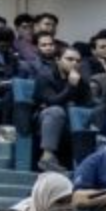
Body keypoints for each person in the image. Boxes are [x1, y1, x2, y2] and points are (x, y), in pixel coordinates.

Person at [30, 36, 95, 173]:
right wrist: (71, 86)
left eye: (77, 61)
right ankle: (47, 157)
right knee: (56, 111)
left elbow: (88, 103)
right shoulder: (45, 76)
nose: (74, 63)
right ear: (58, 60)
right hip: (44, 120)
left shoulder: (80, 80)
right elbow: (52, 102)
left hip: (70, 120)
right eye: (69, 59)